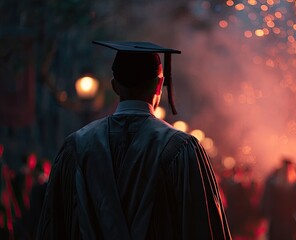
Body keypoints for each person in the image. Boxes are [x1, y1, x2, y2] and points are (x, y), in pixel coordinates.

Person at [36, 41, 232, 240]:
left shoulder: (77, 146)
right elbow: (202, 229)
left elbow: (55, 226)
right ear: (159, 85)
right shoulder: (181, 148)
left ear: (114, 86)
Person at [260, 158, 296, 240]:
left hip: (276, 225)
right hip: (289, 225)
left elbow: (266, 204)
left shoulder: (272, 185)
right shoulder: (294, 186)